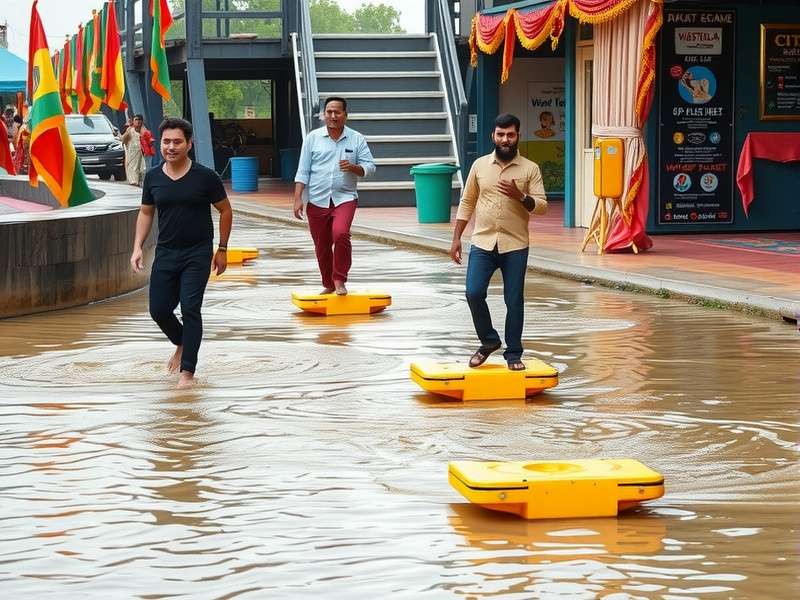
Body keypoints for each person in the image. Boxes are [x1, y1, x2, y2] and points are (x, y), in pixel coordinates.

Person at [130, 117, 233, 389]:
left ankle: (188, 373)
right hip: (166, 251)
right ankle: (181, 341)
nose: (171, 147)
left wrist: (222, 249)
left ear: (189, 144)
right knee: (158, 310)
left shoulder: (206, 177)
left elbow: (225, 210)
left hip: (197, 253)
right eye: (166, 142)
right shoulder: (153, 177)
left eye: (177, 142)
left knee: (190, 308)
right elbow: (146, 212)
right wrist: (137, 246)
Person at [449, 113, 547, 372]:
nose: (505, 139)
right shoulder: (479, 166)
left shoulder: (530, 169)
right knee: (473, 293)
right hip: (482, 242)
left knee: (514, 301)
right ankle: (489, 341)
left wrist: (521, 196)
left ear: (518, 136)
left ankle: (513, 353)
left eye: (510, 135)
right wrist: (456, 238)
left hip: (515, 245)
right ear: (493, 136)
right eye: (501, 134)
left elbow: (542, 206)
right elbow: (467, 201)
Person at [293, 97, 376, 295]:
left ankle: (339, 279)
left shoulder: (357, 139)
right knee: (321, 246)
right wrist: (298, 199)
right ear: (324, 115)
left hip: (345, 198)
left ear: (345, 115)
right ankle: (328, 284)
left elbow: (370, 167)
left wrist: (353, 167)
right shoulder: (313, 138)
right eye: (329, 112)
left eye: (337, 112)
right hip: (317, 200)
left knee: (341, 234)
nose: (333, 116)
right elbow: (303, 170)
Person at [121, 114, 149, 186]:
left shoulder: (145, 131)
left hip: (143, 155)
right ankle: (134, 184)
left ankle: (140, 183)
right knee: (133, 170)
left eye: (140, 120)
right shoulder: (130, 131)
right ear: (133, 121)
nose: (138, 121)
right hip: (132, 155)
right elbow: (123, 140)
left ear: (142, 121)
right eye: (136, 120)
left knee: (143, 170)